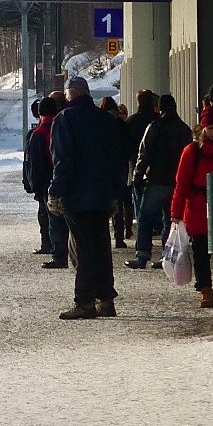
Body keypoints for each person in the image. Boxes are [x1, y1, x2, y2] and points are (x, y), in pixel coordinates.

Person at [47, 75, 126, 319]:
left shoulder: (65, 119)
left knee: (83, 249)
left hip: (76, 195)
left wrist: (55, 192)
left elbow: (63, 160)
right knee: (101, 245)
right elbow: (117, 159)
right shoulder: (105, 119)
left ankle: (85, 302)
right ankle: (106, 299)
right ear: (88, 93)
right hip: (102, 194)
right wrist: (116, 193)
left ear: (69, 95)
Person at [170, 105, 213, 308]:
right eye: (210, 129)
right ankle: (206, 291)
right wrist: (176, 212)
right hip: (197, 207)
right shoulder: (192, 151)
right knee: (200, 252)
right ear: (203, 129)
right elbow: (181, 183)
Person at [126, 94, 192, 270]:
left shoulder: (156, 126)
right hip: (177, 182)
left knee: (145, 218)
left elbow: (145, 153)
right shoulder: (185, 129)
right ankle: (167, 256)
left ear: (160, 108)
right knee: (170, 220)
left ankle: (142, 256)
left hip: (157, 179)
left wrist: (137, 177)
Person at [98, 96, 133, 249]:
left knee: (103, 200)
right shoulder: (122, 124)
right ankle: (119, 236)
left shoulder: (100, 124)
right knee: (119, 201)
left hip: (103, 167)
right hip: (120, 166)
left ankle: (104, 235)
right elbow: (128, 146)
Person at [24, 97, 57, 256]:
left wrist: (33, 184)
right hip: (64, 177)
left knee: (45, 214)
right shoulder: (63, 127)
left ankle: (48, 245)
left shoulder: (38, 133)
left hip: (45, 182)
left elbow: (35, 163)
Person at [125, 89, 159, 231]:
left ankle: (143, 232)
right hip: (158, 167)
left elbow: (126, 145)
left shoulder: (131, 121)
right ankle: (156, 226)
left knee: (139, 201)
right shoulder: (158, 120)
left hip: (136, 165)